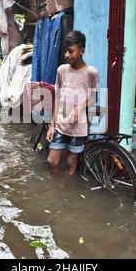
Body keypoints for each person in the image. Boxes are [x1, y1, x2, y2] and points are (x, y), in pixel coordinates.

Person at [46, 31, 99, 176]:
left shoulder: (91, 72)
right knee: (52, 161)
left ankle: (66, 187)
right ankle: (55, 189)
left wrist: (80, 108)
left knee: (71, 163)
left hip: (79, 127)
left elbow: (94, 98)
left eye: (71, 51)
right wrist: (52, 125)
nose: (67, 55)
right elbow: (57, 97)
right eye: (65, 51)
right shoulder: (61, 70)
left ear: (82, 51)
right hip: (61, 124)